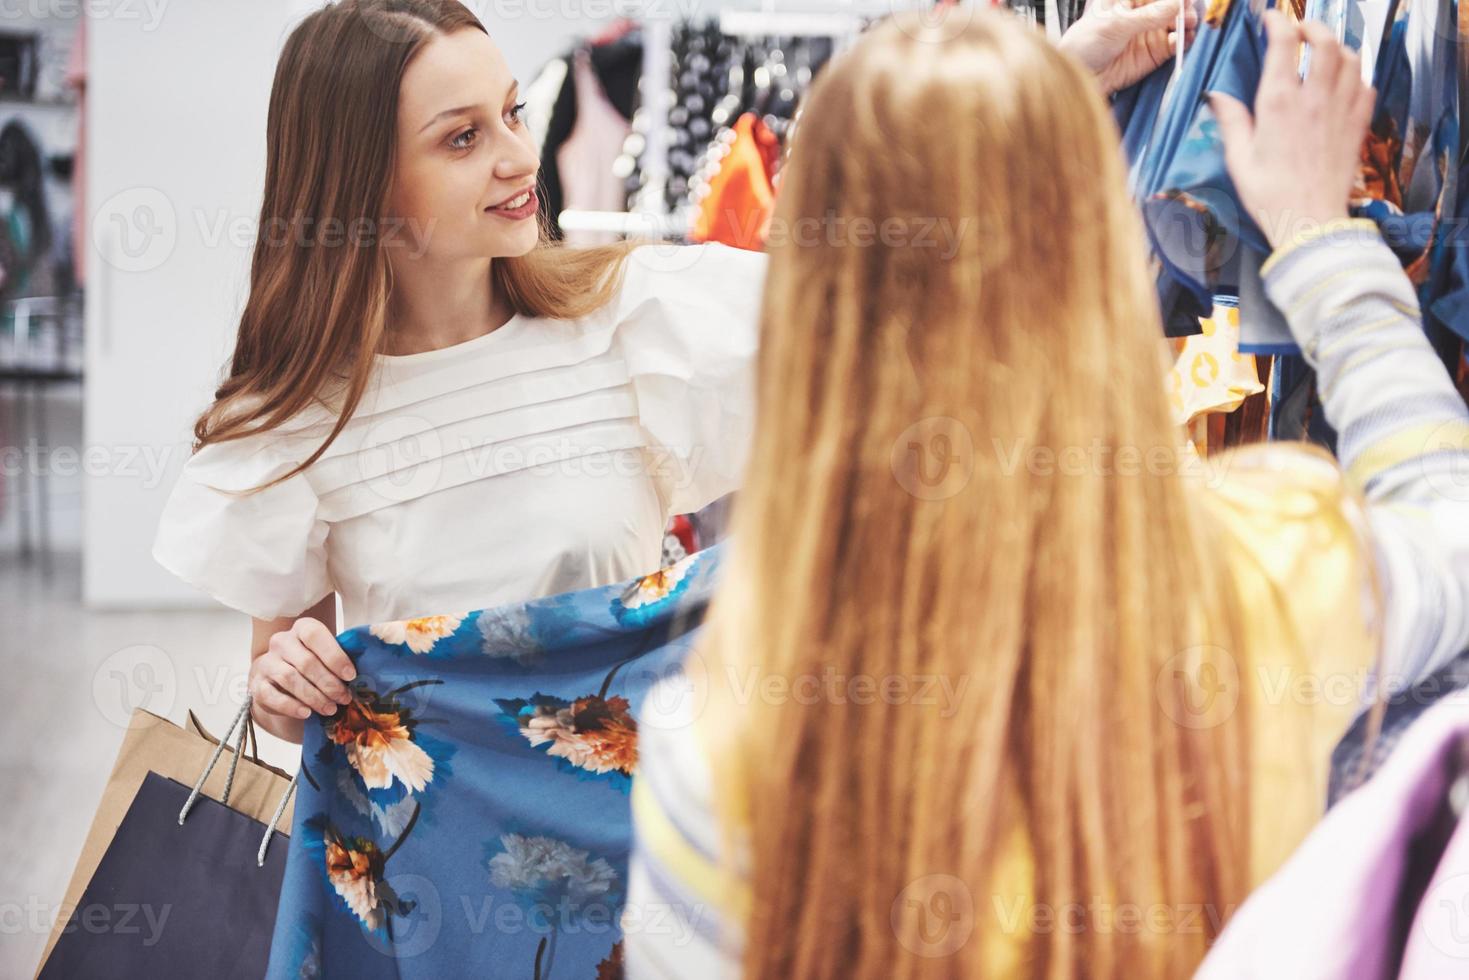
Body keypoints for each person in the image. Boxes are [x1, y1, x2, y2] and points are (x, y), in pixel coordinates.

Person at [625, 9, 1469, 979]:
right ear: (1099, 267)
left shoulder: (729, 733)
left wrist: (1006, 123)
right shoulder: (1268, 578)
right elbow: (1445, 514)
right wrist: (1317, 238)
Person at [149, 0, 767, 744]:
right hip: (422, 841)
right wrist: (285, 686)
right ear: (362, 181)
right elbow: (283, 693)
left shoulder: (629, 322)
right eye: (463, 138)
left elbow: (861, 367)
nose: (520, 157)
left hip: (624, 829)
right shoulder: (305, 419)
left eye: (512, 113)